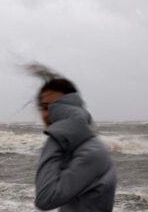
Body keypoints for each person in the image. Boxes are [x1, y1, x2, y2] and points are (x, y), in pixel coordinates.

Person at [34, 78, 116, 212]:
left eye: (56, 107)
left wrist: (55, 137)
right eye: (44, 107)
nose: (48, 114)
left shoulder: (91, 152)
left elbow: (45, 199)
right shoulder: (75, 146)